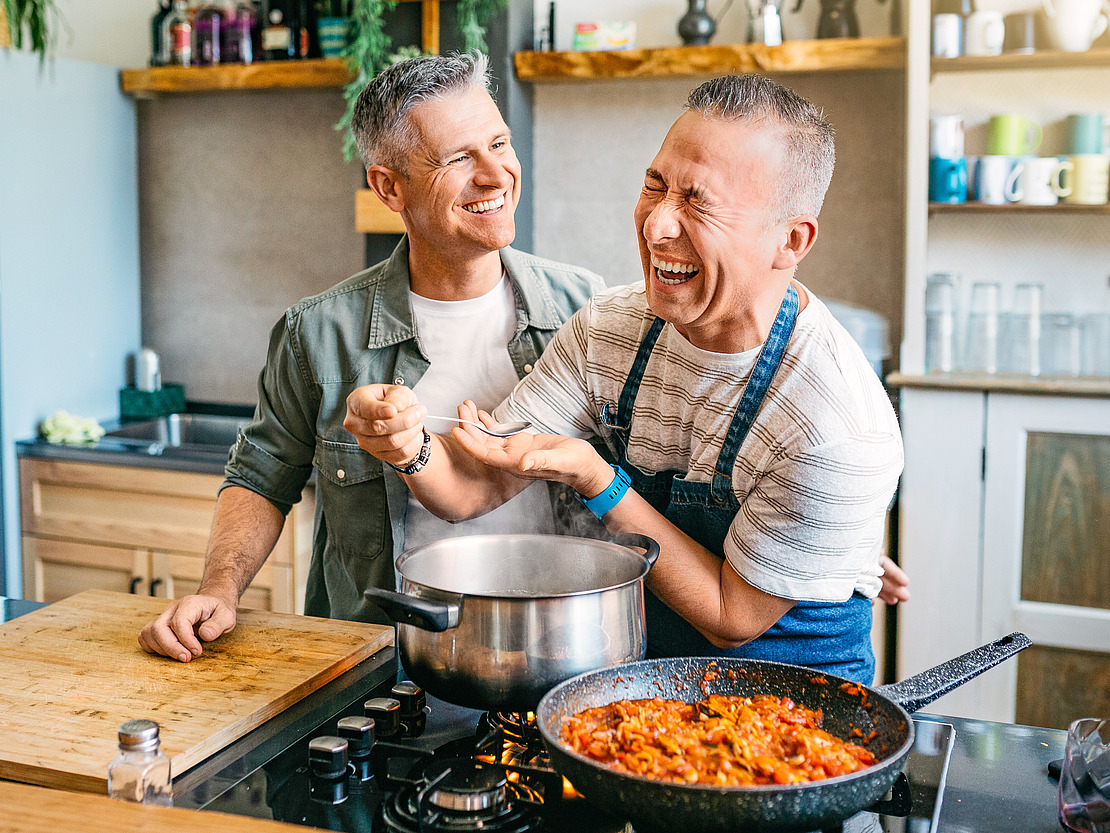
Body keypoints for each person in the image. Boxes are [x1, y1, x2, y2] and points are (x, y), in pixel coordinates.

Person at [345, 73, 907, 684]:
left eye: (698, 201)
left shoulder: (836, 425)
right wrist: (408, 448)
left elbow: (731, 615)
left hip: (788, 717)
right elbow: (474, 484)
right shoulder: (610, 329)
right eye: (654, 185)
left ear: (790, 240)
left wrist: (598, 480)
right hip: (638, 694)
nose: (657, 225)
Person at [137, 52, 606, 662]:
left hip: (559, 661)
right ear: (389, 186)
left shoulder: (589, 309)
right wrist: (218, 591)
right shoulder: (318, 333)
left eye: (500, 143)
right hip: (383, 673)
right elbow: (260, 476)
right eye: (460, 158)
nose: (496, 174)